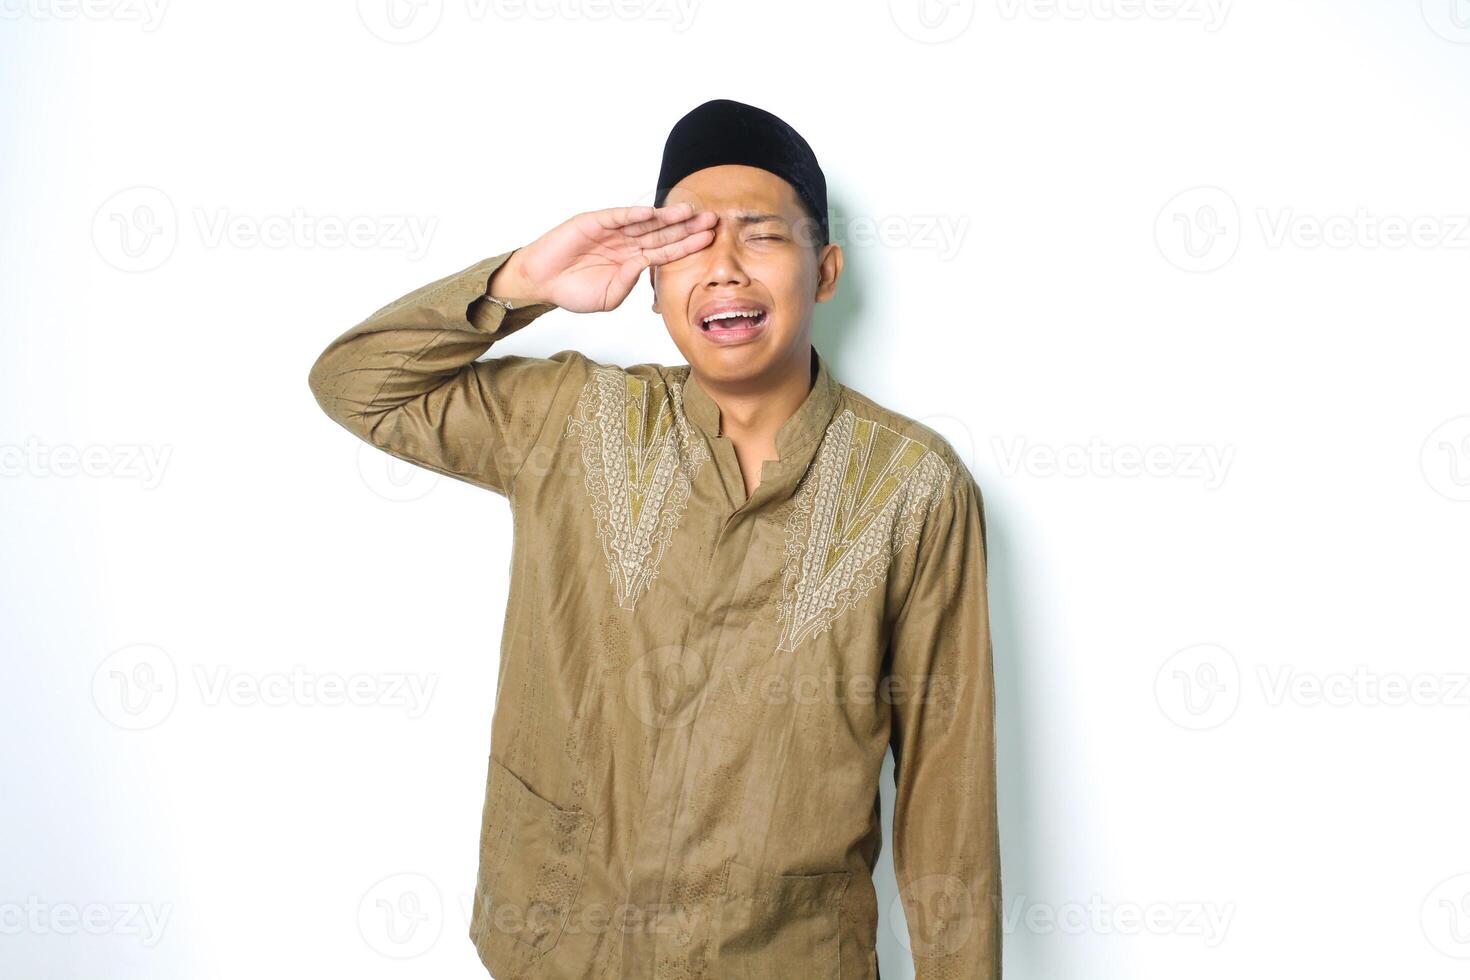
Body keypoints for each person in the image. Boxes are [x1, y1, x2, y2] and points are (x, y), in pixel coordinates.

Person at [307, 98, 1000, 979]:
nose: (723, 269)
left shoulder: (913, 486)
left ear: (825, 271)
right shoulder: (573, 419)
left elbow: (948, 792)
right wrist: (521, 281)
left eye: (760, 237)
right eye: (688, 244)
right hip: (563, 948)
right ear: (651, 281)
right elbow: (355, 385)